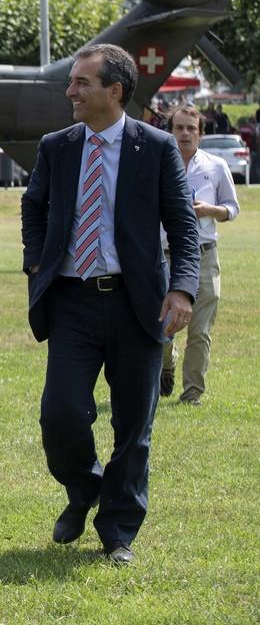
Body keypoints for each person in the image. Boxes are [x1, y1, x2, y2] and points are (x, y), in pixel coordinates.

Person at [22, 43, 198, 566]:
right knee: (60, 415)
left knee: (133, 426)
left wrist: (183, 289)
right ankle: (85, 489)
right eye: (72, 81)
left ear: (114, 91)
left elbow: (183, 228)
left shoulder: (157, 147)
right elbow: (33, 206)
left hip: (137, 304)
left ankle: (118, 530)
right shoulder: (57, 146)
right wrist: (36, 261)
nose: (70, 90)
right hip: (72, 303)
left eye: (81, 82)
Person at [159, 104, 239, 405]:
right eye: (179, 128)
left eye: (191, 128)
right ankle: (166, 364)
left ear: (200, 133)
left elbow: (232, 209)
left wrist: (209, 210)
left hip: (204, 255)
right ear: (171, 131)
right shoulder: (159, 164)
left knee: (200, 330)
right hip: (165, 257)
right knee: (163, 329)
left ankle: (192, 394)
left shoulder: (216, 166)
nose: (184, 134)